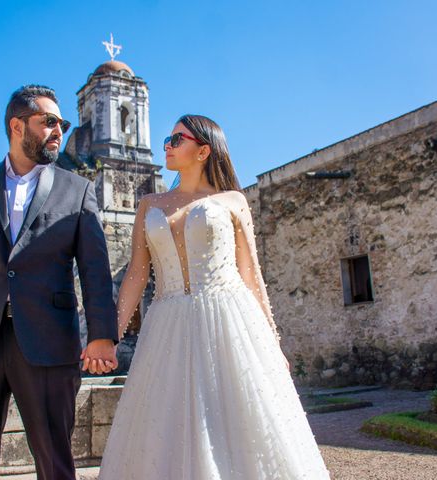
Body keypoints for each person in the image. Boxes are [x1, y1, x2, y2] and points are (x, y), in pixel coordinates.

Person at [93, 115, 331, 479]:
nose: (167, 145)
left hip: (228, 319)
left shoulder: (233, 201)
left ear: (204, 150)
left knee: (236, 423)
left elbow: (251, 276)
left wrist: (272, 342)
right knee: (164, 423)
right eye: (167, 139)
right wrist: (111, 337)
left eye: (176, 139)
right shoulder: (149, 204)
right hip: (166, 324)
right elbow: (136, 277)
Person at [0, 84, 118, 480]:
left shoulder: (78, 190)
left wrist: (102, 335)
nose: (59, 130)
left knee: (56, 465)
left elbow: (95, 269)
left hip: (50, 343)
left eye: (61, 123)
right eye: (48, 122)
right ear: (17, 126)